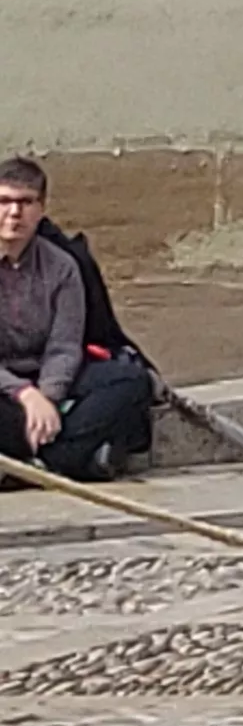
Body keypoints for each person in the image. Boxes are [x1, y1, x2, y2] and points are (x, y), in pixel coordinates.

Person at [0, 160, 153, 484]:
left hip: (48, 373)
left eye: (26, 203)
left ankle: (40, 463)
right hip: (5, 386)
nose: (14, 213)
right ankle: (72, 459)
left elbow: (64, 345)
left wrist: (48, 398)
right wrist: (26, 396)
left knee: (130, 381)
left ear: (41, 209)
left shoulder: (62, 266)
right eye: (4, 201)